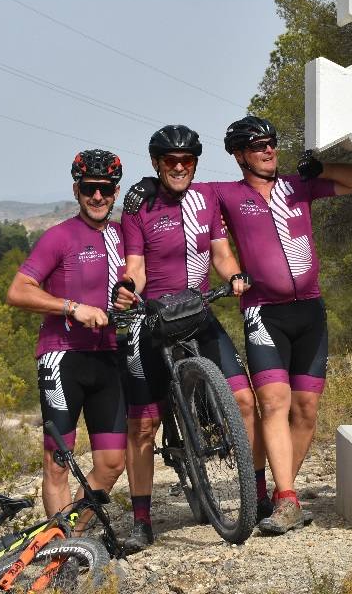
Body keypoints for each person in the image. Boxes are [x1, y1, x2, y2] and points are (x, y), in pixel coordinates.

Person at [213, 116, 352, 535]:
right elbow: (192, 213)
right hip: (263, 312)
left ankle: (285, 493)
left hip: (311, 312)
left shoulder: (298, 187)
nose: (269, 150)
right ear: (239, 154)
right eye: (258, 145)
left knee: (306, 409)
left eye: (272, 143)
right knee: (275, 403)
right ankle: (284, 499)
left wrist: (323, 168)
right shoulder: (226, 195)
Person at [118, 125, 256, 548]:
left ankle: (254, 492)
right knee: (143, 425)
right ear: (158, 164)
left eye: (187, 161)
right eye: (170, 162)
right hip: (153, 320)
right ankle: (142, 520)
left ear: (195, 164)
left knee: (245, 400)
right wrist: (129, 289)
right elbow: (136, 265)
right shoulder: (138, 208)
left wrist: (233, 275)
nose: (179, 168)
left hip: (198, 313)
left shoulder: (206, 199)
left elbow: (220, 251)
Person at [5, 149, 135, 519]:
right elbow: (18, 290)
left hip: (109, 357)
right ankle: (59, 553)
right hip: (62, 357)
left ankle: (72, 536)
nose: (98, 196)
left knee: (111, 464)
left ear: (115, 191)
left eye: (105, 189)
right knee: (58, 463)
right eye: (90, 188)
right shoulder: (59, 237)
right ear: (77, 190)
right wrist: (71, 308)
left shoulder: (124, 237)